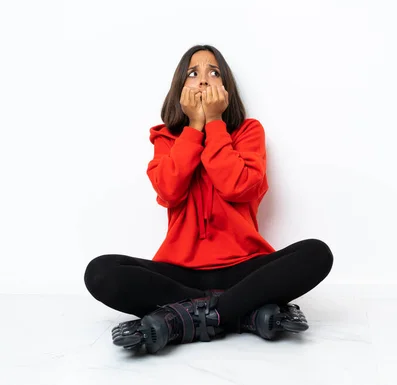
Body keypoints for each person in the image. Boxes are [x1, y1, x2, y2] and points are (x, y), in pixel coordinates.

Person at [83, 45, 334, 354]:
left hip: (245, 268)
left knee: (316, 253)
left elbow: (237, 186)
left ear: (225, 88)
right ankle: (244, 314)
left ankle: (184, 317)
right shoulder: (165, 138)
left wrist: (215, 124)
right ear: (179, 89)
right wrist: (194, 129)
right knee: (100, 272)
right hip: (180, 272)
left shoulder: (248, 132)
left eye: (213, 73)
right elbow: (169, 190)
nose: (203, 80)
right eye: (193, 73)